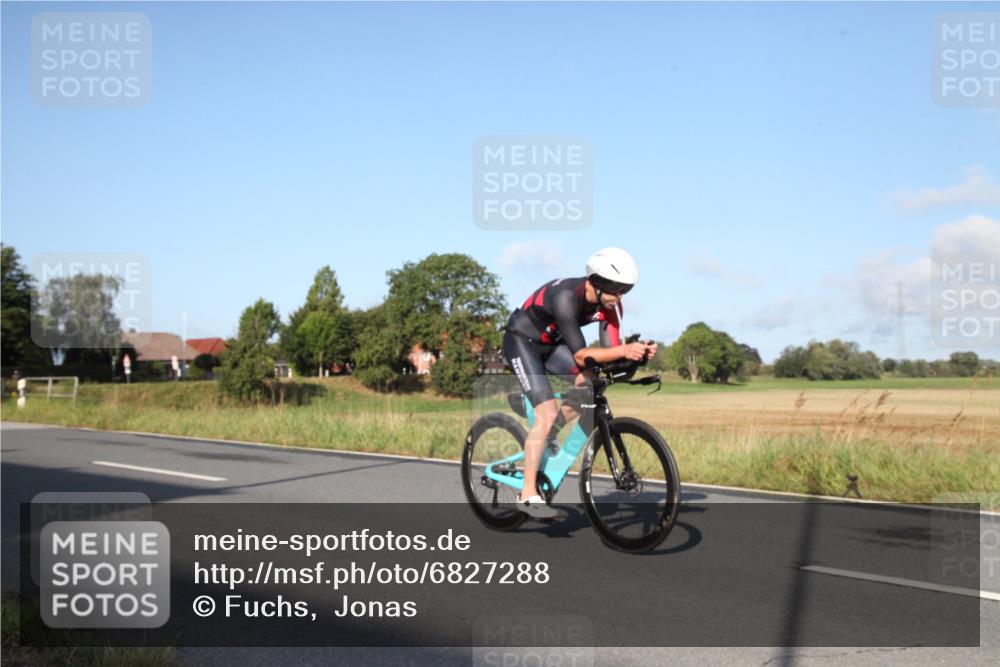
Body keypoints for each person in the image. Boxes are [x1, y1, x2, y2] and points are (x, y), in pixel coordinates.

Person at [502, 248, 657, 520]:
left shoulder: (610, 305)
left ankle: (547, 431)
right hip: (522, 342)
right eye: (616, 290)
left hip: (552, 346)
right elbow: (582, 356)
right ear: (597, 283)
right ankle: (527, 493)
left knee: (592, 384)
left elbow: (609, 354)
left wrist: (636, 355)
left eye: (625, 291)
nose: (620, 297)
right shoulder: (566, 297)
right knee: (547, 411)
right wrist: (623, 351)